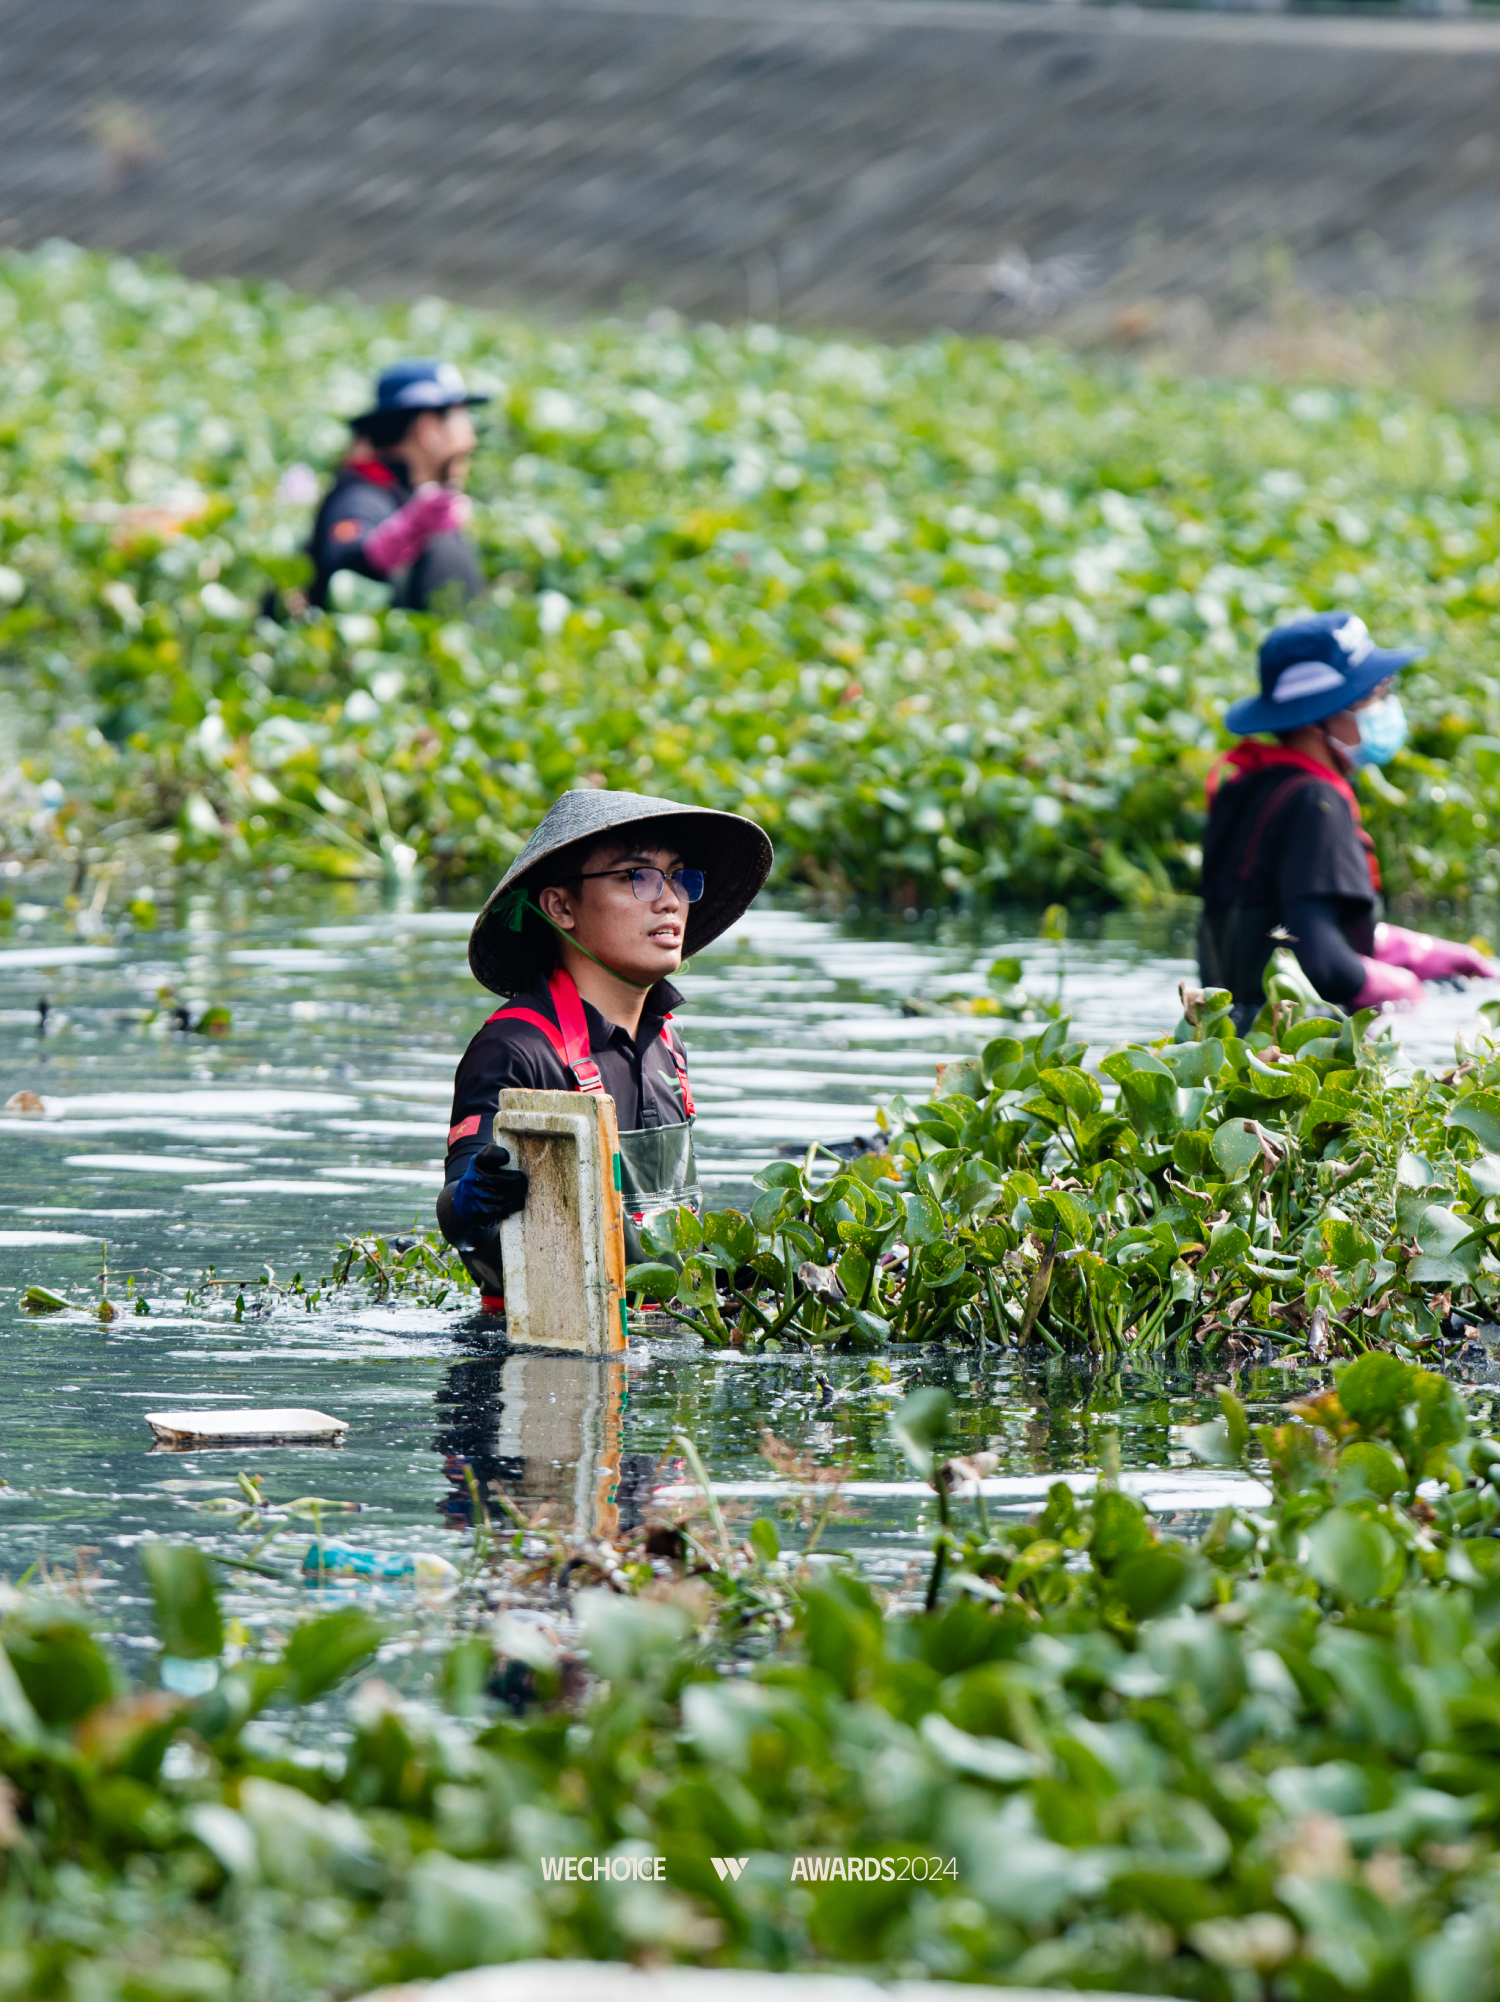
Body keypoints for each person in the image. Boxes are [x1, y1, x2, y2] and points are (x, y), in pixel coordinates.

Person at [438, 789, 774, 1318]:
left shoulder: (668, 1041)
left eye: (679, 876)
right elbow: (458, 1213)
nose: (668, 900)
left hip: (668, 1336)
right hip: (542, 1352)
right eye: (637, 877)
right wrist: (470, 1198)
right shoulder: (516, 1049)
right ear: (561, 906)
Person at [1200, 611, 1494, 1033]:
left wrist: (1421, 950)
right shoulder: (1316, 802)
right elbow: (1324, 964)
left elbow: (1284, 923)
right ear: (1325, 713)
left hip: (1233, 1032)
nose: (1387, 705)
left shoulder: (1245, 788)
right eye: (1375, 694)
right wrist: (1411, 990)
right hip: (1296, 1043)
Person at [307, 357, 489, 612]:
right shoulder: (361, 495)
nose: (471, 436)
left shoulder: (407, 496)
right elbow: (344, 566)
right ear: (427, 429)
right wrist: (410, 531)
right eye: (463, 416)